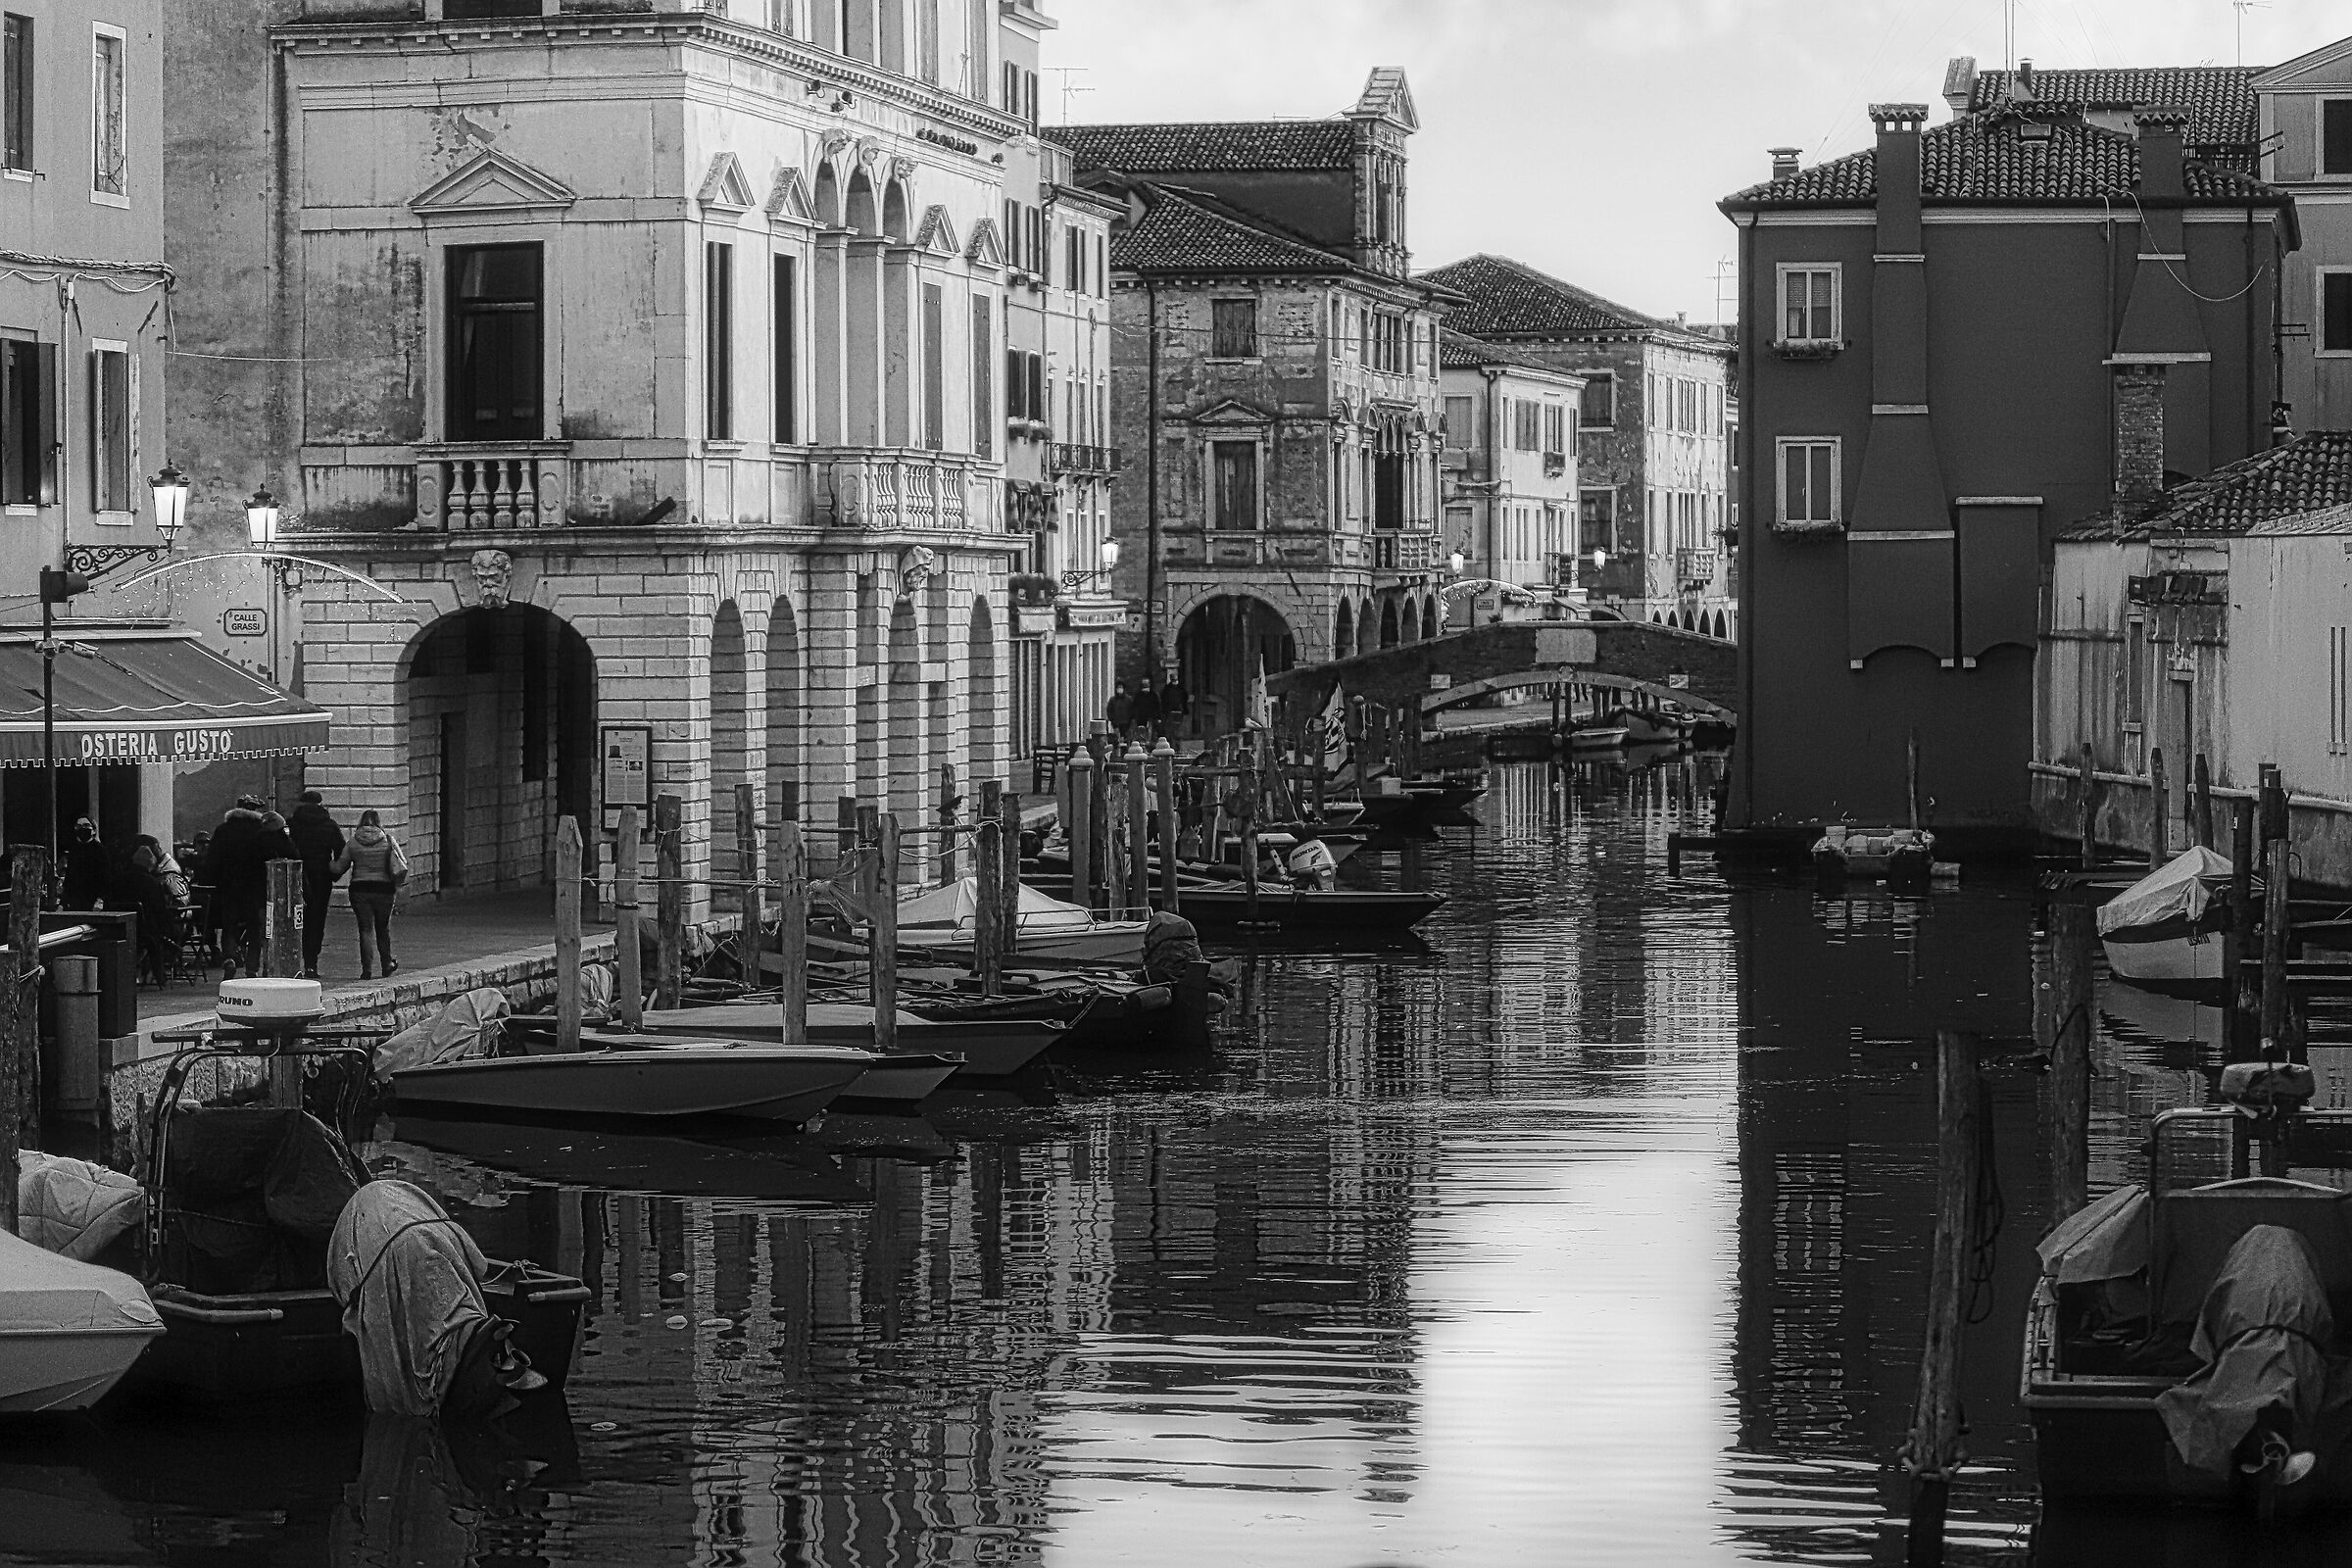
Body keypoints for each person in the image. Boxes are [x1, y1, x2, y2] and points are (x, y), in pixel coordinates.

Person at [210, 795, 292, 978]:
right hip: (255, 887)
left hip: (229, 886)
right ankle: (251, 968)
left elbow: (212, 859)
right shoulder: (261, 831)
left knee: (229, 925)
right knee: (254, 928)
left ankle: (229, 957)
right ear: (256, 810)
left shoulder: (223, 830)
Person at [335, 809, 408, 981]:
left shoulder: (353, 843)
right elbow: (401, 863)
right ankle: (386, 964)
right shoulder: (388, 841)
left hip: (360, 889)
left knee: (365, 929)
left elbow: (339, 867)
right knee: (383, 928)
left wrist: (325, 865)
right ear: (378, 822)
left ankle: (366, 970)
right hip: (384, 890)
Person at [286, 790, 347, 980]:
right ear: (320, 804)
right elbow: (341, 852)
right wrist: (333, 873)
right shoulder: (329, 825)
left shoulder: (292, 824)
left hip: (297, 876)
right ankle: (311, 964)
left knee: (295, 919)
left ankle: (292, 963)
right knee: (316, 919)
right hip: (321, 878)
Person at [62, 817, 109, 909]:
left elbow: (105, 879)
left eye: (86, 825)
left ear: (94, 830)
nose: (82, 828)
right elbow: (69, 879)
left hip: (95, 903)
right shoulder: (74, 850)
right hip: (75, 902)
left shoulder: (101, 851)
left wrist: (100, 900)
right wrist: (63, 903)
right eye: (79, 826)